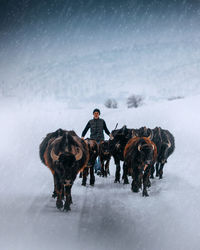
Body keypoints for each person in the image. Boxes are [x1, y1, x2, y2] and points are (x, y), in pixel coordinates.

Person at [81, 108, 111, 174]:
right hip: (93, 141)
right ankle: (96, 169)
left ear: (99, 114)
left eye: (97, 113)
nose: (96, 114)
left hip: (101, 141)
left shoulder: (102, 121)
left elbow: (106, 129)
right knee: (93, 155)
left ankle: (99, 169)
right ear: (93, 114)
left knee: (100, 155)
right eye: (95, 113)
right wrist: (82, 136)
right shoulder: (90, 122)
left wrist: (110, 135)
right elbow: (85, 129)